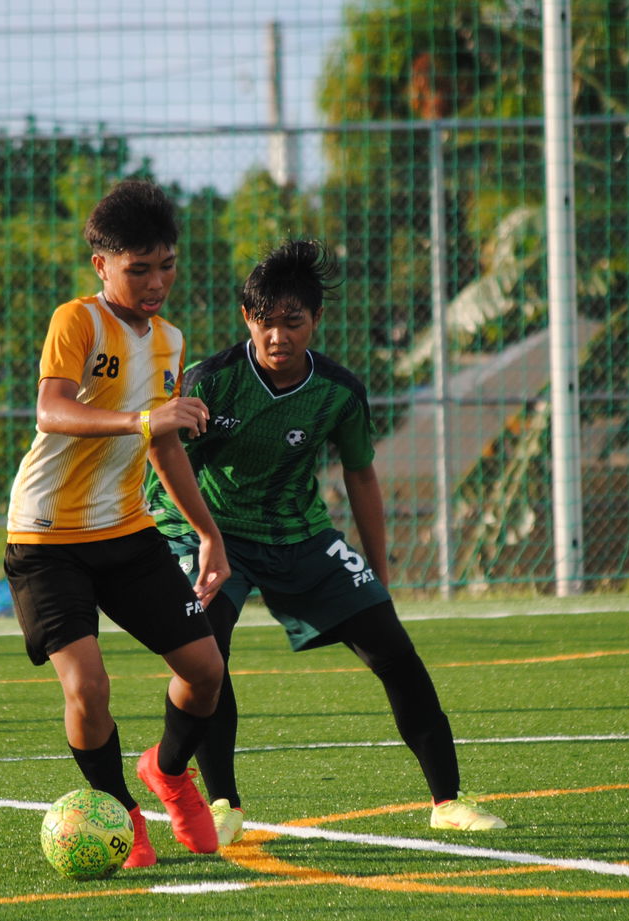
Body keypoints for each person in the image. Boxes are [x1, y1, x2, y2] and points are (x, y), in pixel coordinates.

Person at [146, 239, 507, 845]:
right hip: (212, 533)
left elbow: (361, 475)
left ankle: (448, 799)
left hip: (299, 533)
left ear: (315, 321)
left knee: (394, 651)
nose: (277, 336)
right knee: (209, 652)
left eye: (292, 322)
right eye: (265, 322)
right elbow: (165, 456)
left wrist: (379, 576)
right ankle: (224, 802)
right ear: (247, 321)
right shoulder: (213, 379)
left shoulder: (339, 392)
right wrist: (199, 535)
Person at [4, 178, 229, 867]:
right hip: (45, 538)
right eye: (139, 268)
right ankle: (121, 815)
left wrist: (209, 533)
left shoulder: (171, 340)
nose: (156, 280)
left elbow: (162, 445)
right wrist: (141, 418)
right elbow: (51, 409)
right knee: (87, 687)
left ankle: (165, 768)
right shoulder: (77, 321)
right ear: (101, 265)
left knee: (205, 671)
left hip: (126, 531)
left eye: (166, 264)